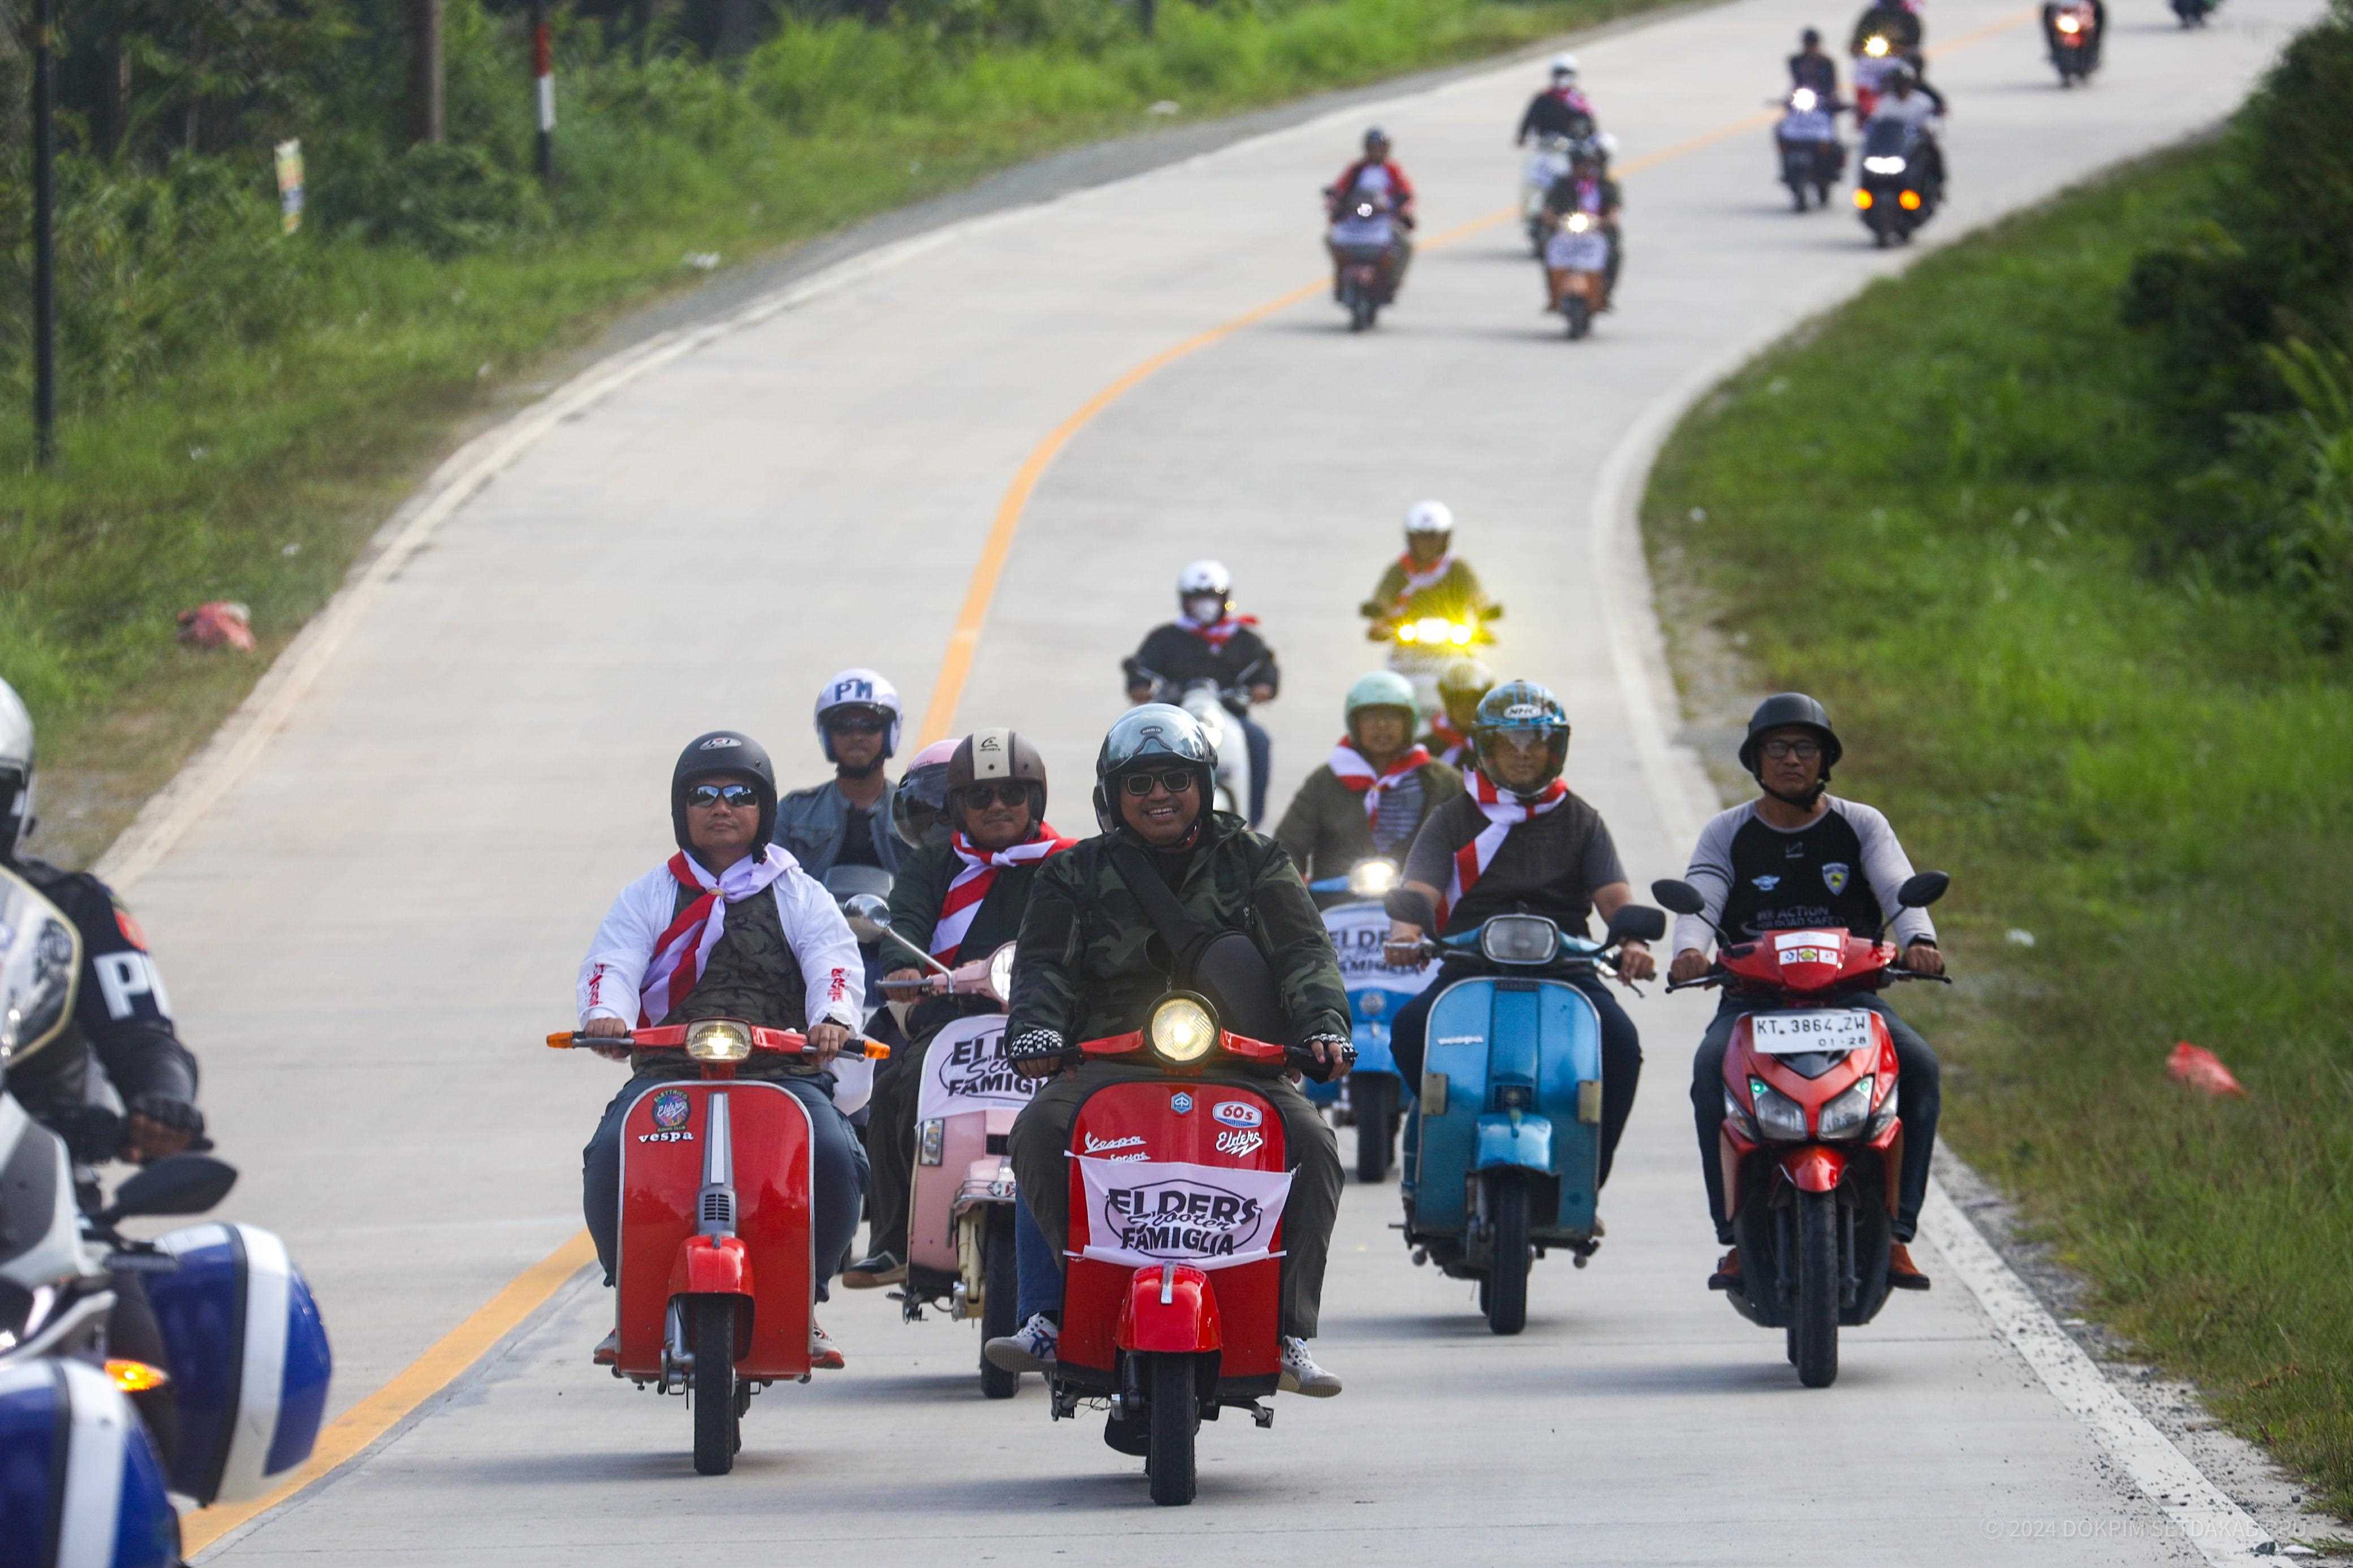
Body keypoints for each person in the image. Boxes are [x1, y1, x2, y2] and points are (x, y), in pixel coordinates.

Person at [984, 706, 1351, 1399]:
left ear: (1204, 785)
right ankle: (1051, 1309)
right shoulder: (1072, 873)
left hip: (1240, 1061)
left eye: (1176, 779)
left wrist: (1324, 1024)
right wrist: (1033, 1031)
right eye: (1141, 781)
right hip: (1108, 1060)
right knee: (1037, 1129)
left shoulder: (1255, 858)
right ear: (1111, 794)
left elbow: (1305, 954)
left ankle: (1288, 1330)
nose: (1159, 795)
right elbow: (1042, 968)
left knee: (1313, 1141)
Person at [576, 731, 870, 1367]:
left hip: (779, 1073)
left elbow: (833, 960)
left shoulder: (798, 890)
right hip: (669, 1072)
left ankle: (809, 1302)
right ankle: (625, 1294)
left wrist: (832, 1019)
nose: (721, 807)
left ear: (762, 807)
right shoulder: (649, 893)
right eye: (702, 795)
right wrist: (605, 1015)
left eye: (738, 794)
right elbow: (614, 961)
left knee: (838, 1156)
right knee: (606, 1156)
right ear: (681, 810)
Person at [1667, 693, 1943, 1291]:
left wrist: (1918, 938)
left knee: (1918, 1067)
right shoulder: (1727, 832)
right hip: (1752, 1002)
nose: (1790, 760)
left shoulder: (1861, 823)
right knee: (1708, 1070)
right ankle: (1734, 1234)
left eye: (1804, 748)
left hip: (1849, 999)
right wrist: (1688, 951)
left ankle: (1897, 1231)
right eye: (1776, 748)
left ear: (1824, 759)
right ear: (1754, 759)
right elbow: (1701, 895)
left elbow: (1900, 888)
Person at [0, 676, 200, 1461]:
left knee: (136, 1357)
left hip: (33, 1209)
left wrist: (162, 1101)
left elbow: (146, 1032)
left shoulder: (75, 909)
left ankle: (151, 1516)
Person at [1381, 682, 1653, 1204]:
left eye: (1536, 743)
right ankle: (1444, 1134)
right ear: (1487, 749)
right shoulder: (1453, 817)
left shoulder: (1582, 819)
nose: (1524, 755)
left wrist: (1633, 941)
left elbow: (1616, 900)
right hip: (1469, 963)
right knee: (1411, 1026)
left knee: (1620, 1046)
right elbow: (1418, 890)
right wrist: (1406, 934)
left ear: (1556, 750)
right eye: (1511, 743)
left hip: (1567, 968)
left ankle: (1585, 1179)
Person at [843, 729, 1075, 1288]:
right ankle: (894, 1240)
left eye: (1012, 794)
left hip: (1051, 1024)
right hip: (952, 1017)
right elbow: (905, 919)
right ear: (956, 807)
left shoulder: (1070, 863)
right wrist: (901, 967)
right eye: (980, 797)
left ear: (1035, 799)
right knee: (896, 1083)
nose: (997, 807)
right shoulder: (933, 863)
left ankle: (1098, 1239)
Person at [1123, 561, 1281, 826]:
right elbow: (1140, 668)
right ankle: (1129, 817)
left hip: (1229, 718)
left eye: (1212, 598)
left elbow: (1266, 668)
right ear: (1185, 601)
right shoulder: (1165, 638)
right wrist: (1139, 687)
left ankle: (1254, 823)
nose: (1205, 605)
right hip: (1172, 719)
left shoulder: (1244, 639)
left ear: (1225, 600)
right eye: (1198, 598)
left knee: (1259, 740)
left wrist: (1264, 688)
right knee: (1133, 746)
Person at [1274, 672, 1464, 884]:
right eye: (1371, 717)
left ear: (1410, 723)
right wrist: (1289, 883)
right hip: (1336, 905)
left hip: (1421, 906)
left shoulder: (1444, 782)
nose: (1382, 726)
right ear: (1355, 724)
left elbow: (1471, 842)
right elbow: (1287, 845)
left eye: (1392, 716)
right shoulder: (1325, 781)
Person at [775, 668, 906, 878]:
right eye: (843, 726)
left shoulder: (915, 812)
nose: (856, 736)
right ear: (827, 735)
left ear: (890, 731)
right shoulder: (793, 813)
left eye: (869, 726)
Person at [1361, 500, 1496, 637]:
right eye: (1421, 538)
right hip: (1407, 645)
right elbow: (1384, 597)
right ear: (1411, 539)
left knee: (1475, 659)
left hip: (1455, 645)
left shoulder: (1458, 568)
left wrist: (1484, 613)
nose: (1427, 544)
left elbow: (1476, 595)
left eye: (1434, 538)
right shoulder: (1400, 569)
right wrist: (1378, 618)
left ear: (1445, 539)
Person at [1325, 127, 1417, 305]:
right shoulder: (1356, 170)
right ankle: (1340, 281)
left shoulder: (1392, 171)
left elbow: (1406, 193)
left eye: (1380, 148)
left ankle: (1392, 283)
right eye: (1373, 148)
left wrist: (1404, 209)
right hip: (1357, 218)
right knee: (1331, 240)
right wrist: (1335, 204)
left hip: (1383, 220)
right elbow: (1340, 190)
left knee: (1405, 245)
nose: (1376, 152)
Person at [1542, 142, 1624, 313]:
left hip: (1598, 231)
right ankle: (1553, 294)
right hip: (1565, 231)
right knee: (1546, 249)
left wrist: (1606, 221)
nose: (1585, 169)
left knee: (1614, 254)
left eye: (1589, 164)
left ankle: (1605, 292)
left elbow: (1614, 212)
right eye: (1580, 164)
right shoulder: (1562, 184)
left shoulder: (1607, 185)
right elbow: (1548, 211)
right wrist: (1554, 221)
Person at [1867, 62, 1947, 196]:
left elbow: (1932, 120)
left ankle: (1938, 186)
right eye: (1897, 84)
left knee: (1934, 153)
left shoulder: (1922, 102)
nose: (1901, 88)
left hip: (1915, 146)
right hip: (1892, 145)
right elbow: (1875, 123)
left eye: (1904, 84)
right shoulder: (1885, 103)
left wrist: (1929, 129)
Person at [1421, 658, 1494, 767]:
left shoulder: (1497, 745)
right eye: (1458, 701)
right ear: (1447, 704)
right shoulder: (1425, 749)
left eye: (1473, 700)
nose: (1466, 708)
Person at [1515, 53, 1598, 144]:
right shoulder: (1543, 98)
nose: (1562, 78)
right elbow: (1530, 118)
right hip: (1546, 146)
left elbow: (1590, 123)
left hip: (1572, 146)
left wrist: (1588, 135)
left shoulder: (1579, 99)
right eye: (1559, 73)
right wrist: (1523, 135)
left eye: (1566, 74)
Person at [2040, 0, 2105, 70]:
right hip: (2062, 11)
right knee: (2048, 12)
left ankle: (2095, 48)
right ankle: (2053, 48)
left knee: (2099, 11)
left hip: (2084, 10)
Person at [1789, 27, 1840, 95]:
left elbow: (1832, 84)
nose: (1810, 47)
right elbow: (1796, 81)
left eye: (1812, 43)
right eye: (1808, 43)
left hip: (1824, 96)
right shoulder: (1796, 61)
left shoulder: (1827, 62)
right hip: (1802, 96)